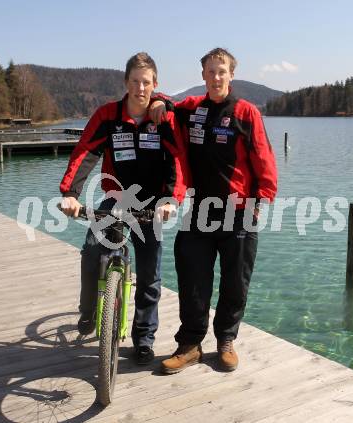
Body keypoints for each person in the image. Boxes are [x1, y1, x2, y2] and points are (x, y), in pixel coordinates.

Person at [150, 48, 277, 373]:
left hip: (239, 211)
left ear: (231, 75)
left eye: (222, 71)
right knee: (192, 279)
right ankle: (190, 344)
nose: (216, 77)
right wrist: (160, 103)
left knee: (236, 283)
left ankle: (225, 341)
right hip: (199, 210)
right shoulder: (193, 108)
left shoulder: (246, 113)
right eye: (210, 72)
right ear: (203, 75)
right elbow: (168, 102)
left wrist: (261, 199)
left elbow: (264, 158)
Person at [59, 52, 188, 365]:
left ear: (154, 85)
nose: (140, 88)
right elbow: (86, 151)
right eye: (135, 81)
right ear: (126, 82)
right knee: (92, 249)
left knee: (149, 273)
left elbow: (178, 160)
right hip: (117, 199)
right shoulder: (108, 116)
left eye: (146, 83)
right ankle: (88, 312)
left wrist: (172, 199)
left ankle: (143, 339)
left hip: (152, 204)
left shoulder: (163, 118)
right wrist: (70, 193)